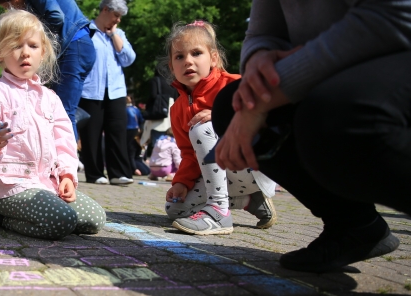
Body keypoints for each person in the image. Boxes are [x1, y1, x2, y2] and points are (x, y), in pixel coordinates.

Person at [211, 0, 409, 272]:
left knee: (336, 115)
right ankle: (356, 227)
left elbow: (393, 15)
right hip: (326, 74)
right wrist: (259, 57)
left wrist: (259, 101)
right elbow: (262, 32)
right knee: (229, 107)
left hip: (394, 54)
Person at [0, 9, 106, 240]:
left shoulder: (50, 97)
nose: (25, 54)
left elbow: (64, 142)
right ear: (0, 53)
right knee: (61, 222)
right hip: (7, 188)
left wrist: (68, 177)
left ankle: (44, 213)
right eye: (15, 45)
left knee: (95, 219)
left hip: (46, 184)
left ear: (43, 52)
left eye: (32, 46)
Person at [163, 21, 277, 236]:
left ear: (213, 58)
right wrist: (181, 182)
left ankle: (218, 211)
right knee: (175, 208)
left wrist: (220, 115)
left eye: (196, 53)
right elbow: (189, 154)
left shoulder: (235, 85)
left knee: (202, 127)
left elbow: (267, 107)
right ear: (172, 67)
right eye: (179, 56)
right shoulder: (177, 109)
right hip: (230, 178)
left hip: (255, 167)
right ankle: (250, 200)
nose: (188, 61)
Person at [0, 0, 96, 143]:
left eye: (11, 6)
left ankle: (66, 162)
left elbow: (56, 16)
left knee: (63, 112)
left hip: (74, 47)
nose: (13, 10)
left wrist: (33, 35)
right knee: (62, 108)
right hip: (78, 46)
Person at [79, 0, 136, 185]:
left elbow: (129, 59)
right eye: (116, 16)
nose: (118, 20)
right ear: (105, 10)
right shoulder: (87, 31)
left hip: (116, 90)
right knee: (92, 134)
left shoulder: (119, 34)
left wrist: (114, 37)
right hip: (90, 90)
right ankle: (95, 174)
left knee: (117, 131)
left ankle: (118, 173)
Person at [142, 68, 177, 159]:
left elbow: (153, 95)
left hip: (158, 110)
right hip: (170, 109)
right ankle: (170, 162)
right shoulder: (172, 82)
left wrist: (147, 107)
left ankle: (160, 162)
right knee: (171, 139)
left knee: (158, 139)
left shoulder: (155, 80)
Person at [126, 95, 148, 176]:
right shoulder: (135, 109)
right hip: (133, 129)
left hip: (129, 129)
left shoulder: (127, 109)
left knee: (131, 148)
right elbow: (140, 119)